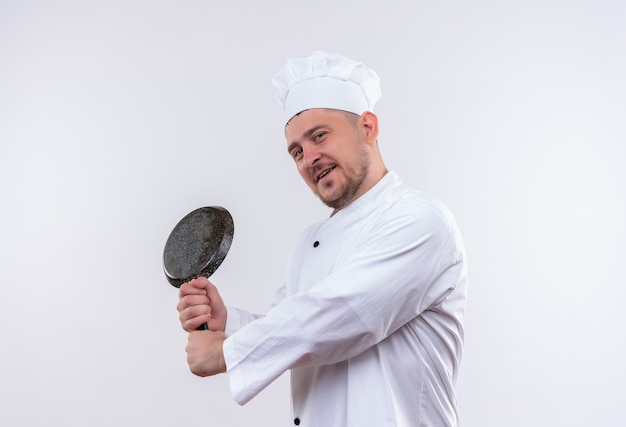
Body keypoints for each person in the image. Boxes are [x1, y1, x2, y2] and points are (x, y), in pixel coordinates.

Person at [177, 51, 468, 426]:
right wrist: (228, 322)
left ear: (368, 127)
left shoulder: (421, 221)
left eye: (319, 136)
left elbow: (340, 314)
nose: (308, 158)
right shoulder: (308, 242)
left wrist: (226, 353)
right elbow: (291, 324)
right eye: (297, 151)